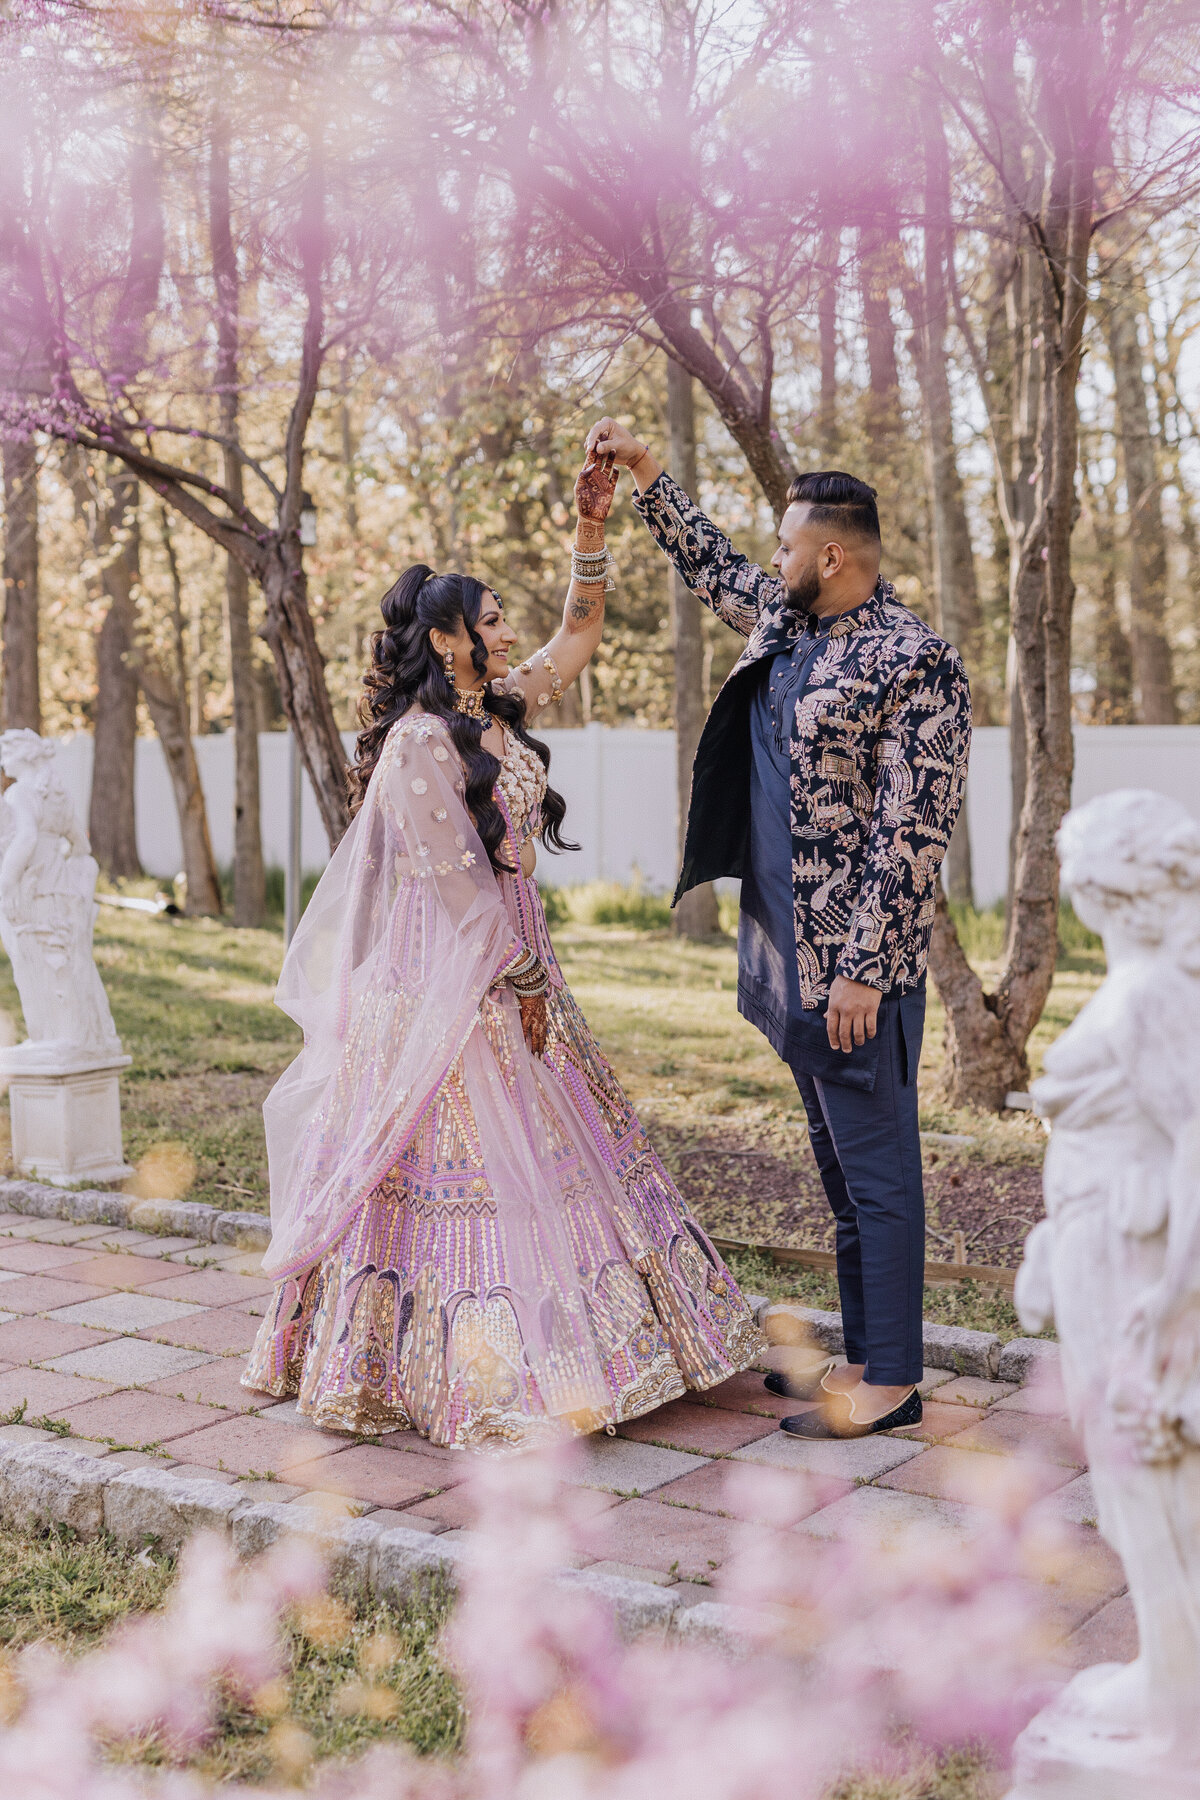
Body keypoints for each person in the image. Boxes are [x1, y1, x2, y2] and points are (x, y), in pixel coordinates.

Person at [243, 452, 763, 1449]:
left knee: (569, 1156)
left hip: (523, 969)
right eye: (489, 622)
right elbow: (454, 895)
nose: (508, 632)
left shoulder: (501, 710)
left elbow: (580, 632)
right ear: (445, 639)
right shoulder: (418, 746)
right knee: (471, 1178)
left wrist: (593, 528)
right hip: (458, 987)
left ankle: (614, 1348)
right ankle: (465, 1371)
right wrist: (521, 981)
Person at [585, 417, 971, 1439]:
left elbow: (914, 832)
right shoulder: (790, 624)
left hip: (853, 973)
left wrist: (864, 972)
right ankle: (859, 1353)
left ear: (833, 556)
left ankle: (892, 1380)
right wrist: (646, 477)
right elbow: (712, 567)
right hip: (783, 956)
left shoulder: (915, 661)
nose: (775, 561)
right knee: (840, 1168)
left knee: (879, 1171)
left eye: (790, 548)